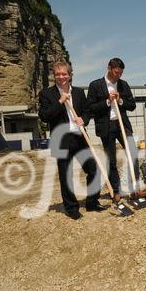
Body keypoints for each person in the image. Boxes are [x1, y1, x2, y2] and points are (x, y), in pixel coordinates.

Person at [38, 60, 106, 220]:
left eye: (64, 74)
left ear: (70, 75)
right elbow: (44, 116)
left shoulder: (78, 92)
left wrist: (84, 119)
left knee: (93, 169)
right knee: (66, 175)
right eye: (58, 74)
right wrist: (60, 102)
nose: (61, 76)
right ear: (54, 76)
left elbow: (88, 111)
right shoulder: (47, 94)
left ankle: (92, 202)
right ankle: (71, 208)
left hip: (80, 137)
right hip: (61, 140)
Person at [87, 58, 146, 201]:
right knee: (111, 159)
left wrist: (120, 100)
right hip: (106, 126)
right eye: (116, 72)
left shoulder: (123, 85)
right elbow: (91, 108)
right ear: (109, 68)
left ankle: (135, 189)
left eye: (120, 73)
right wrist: (107, 101)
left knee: (132, 152)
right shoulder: (96, 85)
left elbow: (132, 105)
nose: (118, 76)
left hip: (122, 125)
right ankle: (116, 191)